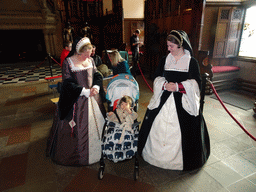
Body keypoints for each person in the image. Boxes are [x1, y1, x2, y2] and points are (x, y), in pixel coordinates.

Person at [138, 30, 210, 171]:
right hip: (164, 95)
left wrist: (179, 87)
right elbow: (157, 76)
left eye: (171, 46)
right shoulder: (165, 59)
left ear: (180, 45)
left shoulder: (191, 62)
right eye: (168, 45)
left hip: (183, 99)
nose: (168, 49)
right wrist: (164, 85)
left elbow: (196, 83)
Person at [46, 37, 106, 166]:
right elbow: (67, 83)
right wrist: (84, 91)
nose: (87, 57)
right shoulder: (69, 62)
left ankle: (104, 149)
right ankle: (81, 154)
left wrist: (96, 86)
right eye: (85, 54)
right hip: (76, 100)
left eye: (89, 54)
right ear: (79, 51)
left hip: (94, 98)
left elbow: (97, 75)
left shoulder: (90, 60)